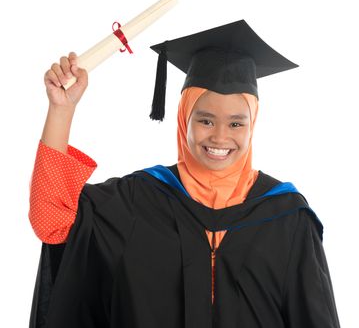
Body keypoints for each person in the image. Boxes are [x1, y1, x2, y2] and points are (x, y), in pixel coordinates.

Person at [28, 20, 341, 327]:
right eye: (205, 121)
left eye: (236, 123)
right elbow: (52, 221)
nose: (220, 137)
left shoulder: (286, 216)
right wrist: (61, 109)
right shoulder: (139, 200)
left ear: (253, 123)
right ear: (183, 120)